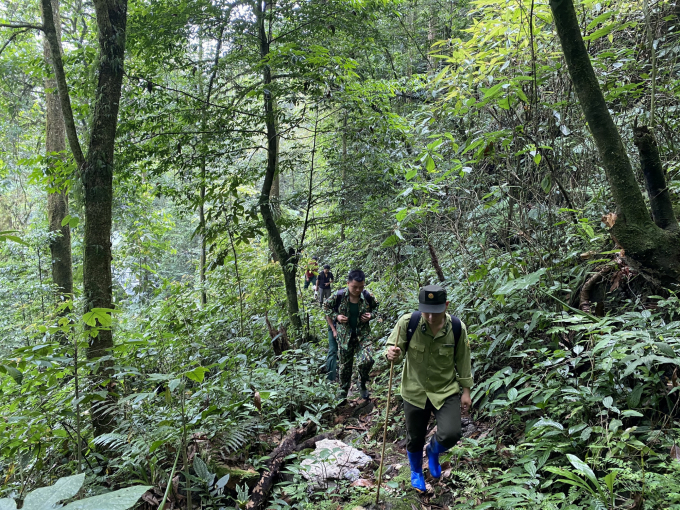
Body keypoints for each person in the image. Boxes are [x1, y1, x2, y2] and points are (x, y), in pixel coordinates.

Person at [385, 285, 473, 492]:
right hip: (414, 390)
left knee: (451, 433)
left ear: (446, 306)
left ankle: (433, 451)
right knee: (414, 437)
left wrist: (466, 390)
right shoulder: (408, 323)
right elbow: (393, 353)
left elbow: (463, 361)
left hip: (445, 390)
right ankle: (416, 471)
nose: (431, 318)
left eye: (436, 312)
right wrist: (391, 355)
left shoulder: (457, 328)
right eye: (426, 312)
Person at [322, 269, 378, 398]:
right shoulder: (339, 296)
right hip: (344, 336)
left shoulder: (368, 296)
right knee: (345, 366)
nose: (358, 290)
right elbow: (325, 307)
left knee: (367, 360)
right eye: (354, 287)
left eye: (361, 287)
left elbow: (376, 309)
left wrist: (371, 315)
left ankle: (362, 382)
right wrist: (336, 317)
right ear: (348, 283)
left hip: (362, 334)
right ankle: (343, 391)